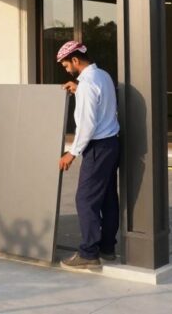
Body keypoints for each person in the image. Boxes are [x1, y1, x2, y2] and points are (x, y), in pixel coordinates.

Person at [55, 41, 120, 270]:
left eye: (66, 65)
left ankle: (89, 254)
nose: (66, 70)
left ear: (75, 60)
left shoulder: (87, 85)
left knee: (85, 200)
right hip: (112, 144)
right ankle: (107, 248)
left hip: (97, 148)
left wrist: (72, 153)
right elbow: (99, 104)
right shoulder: (103, 76)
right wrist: (78, 89)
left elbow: (87, 125)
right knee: (108, 198)